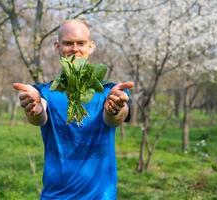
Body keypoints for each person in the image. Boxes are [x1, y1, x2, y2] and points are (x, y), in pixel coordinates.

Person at [13, 19, 133, 200]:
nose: (75, 49)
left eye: (81, 43)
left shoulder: (109, 91)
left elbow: (115, 118)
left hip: (100, 196)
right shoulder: (45, 92)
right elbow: (39, 115)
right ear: (57, 46)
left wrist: (115, 109)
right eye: (68, 43)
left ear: (91, 46)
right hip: (56, 196)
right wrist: (34, 109)